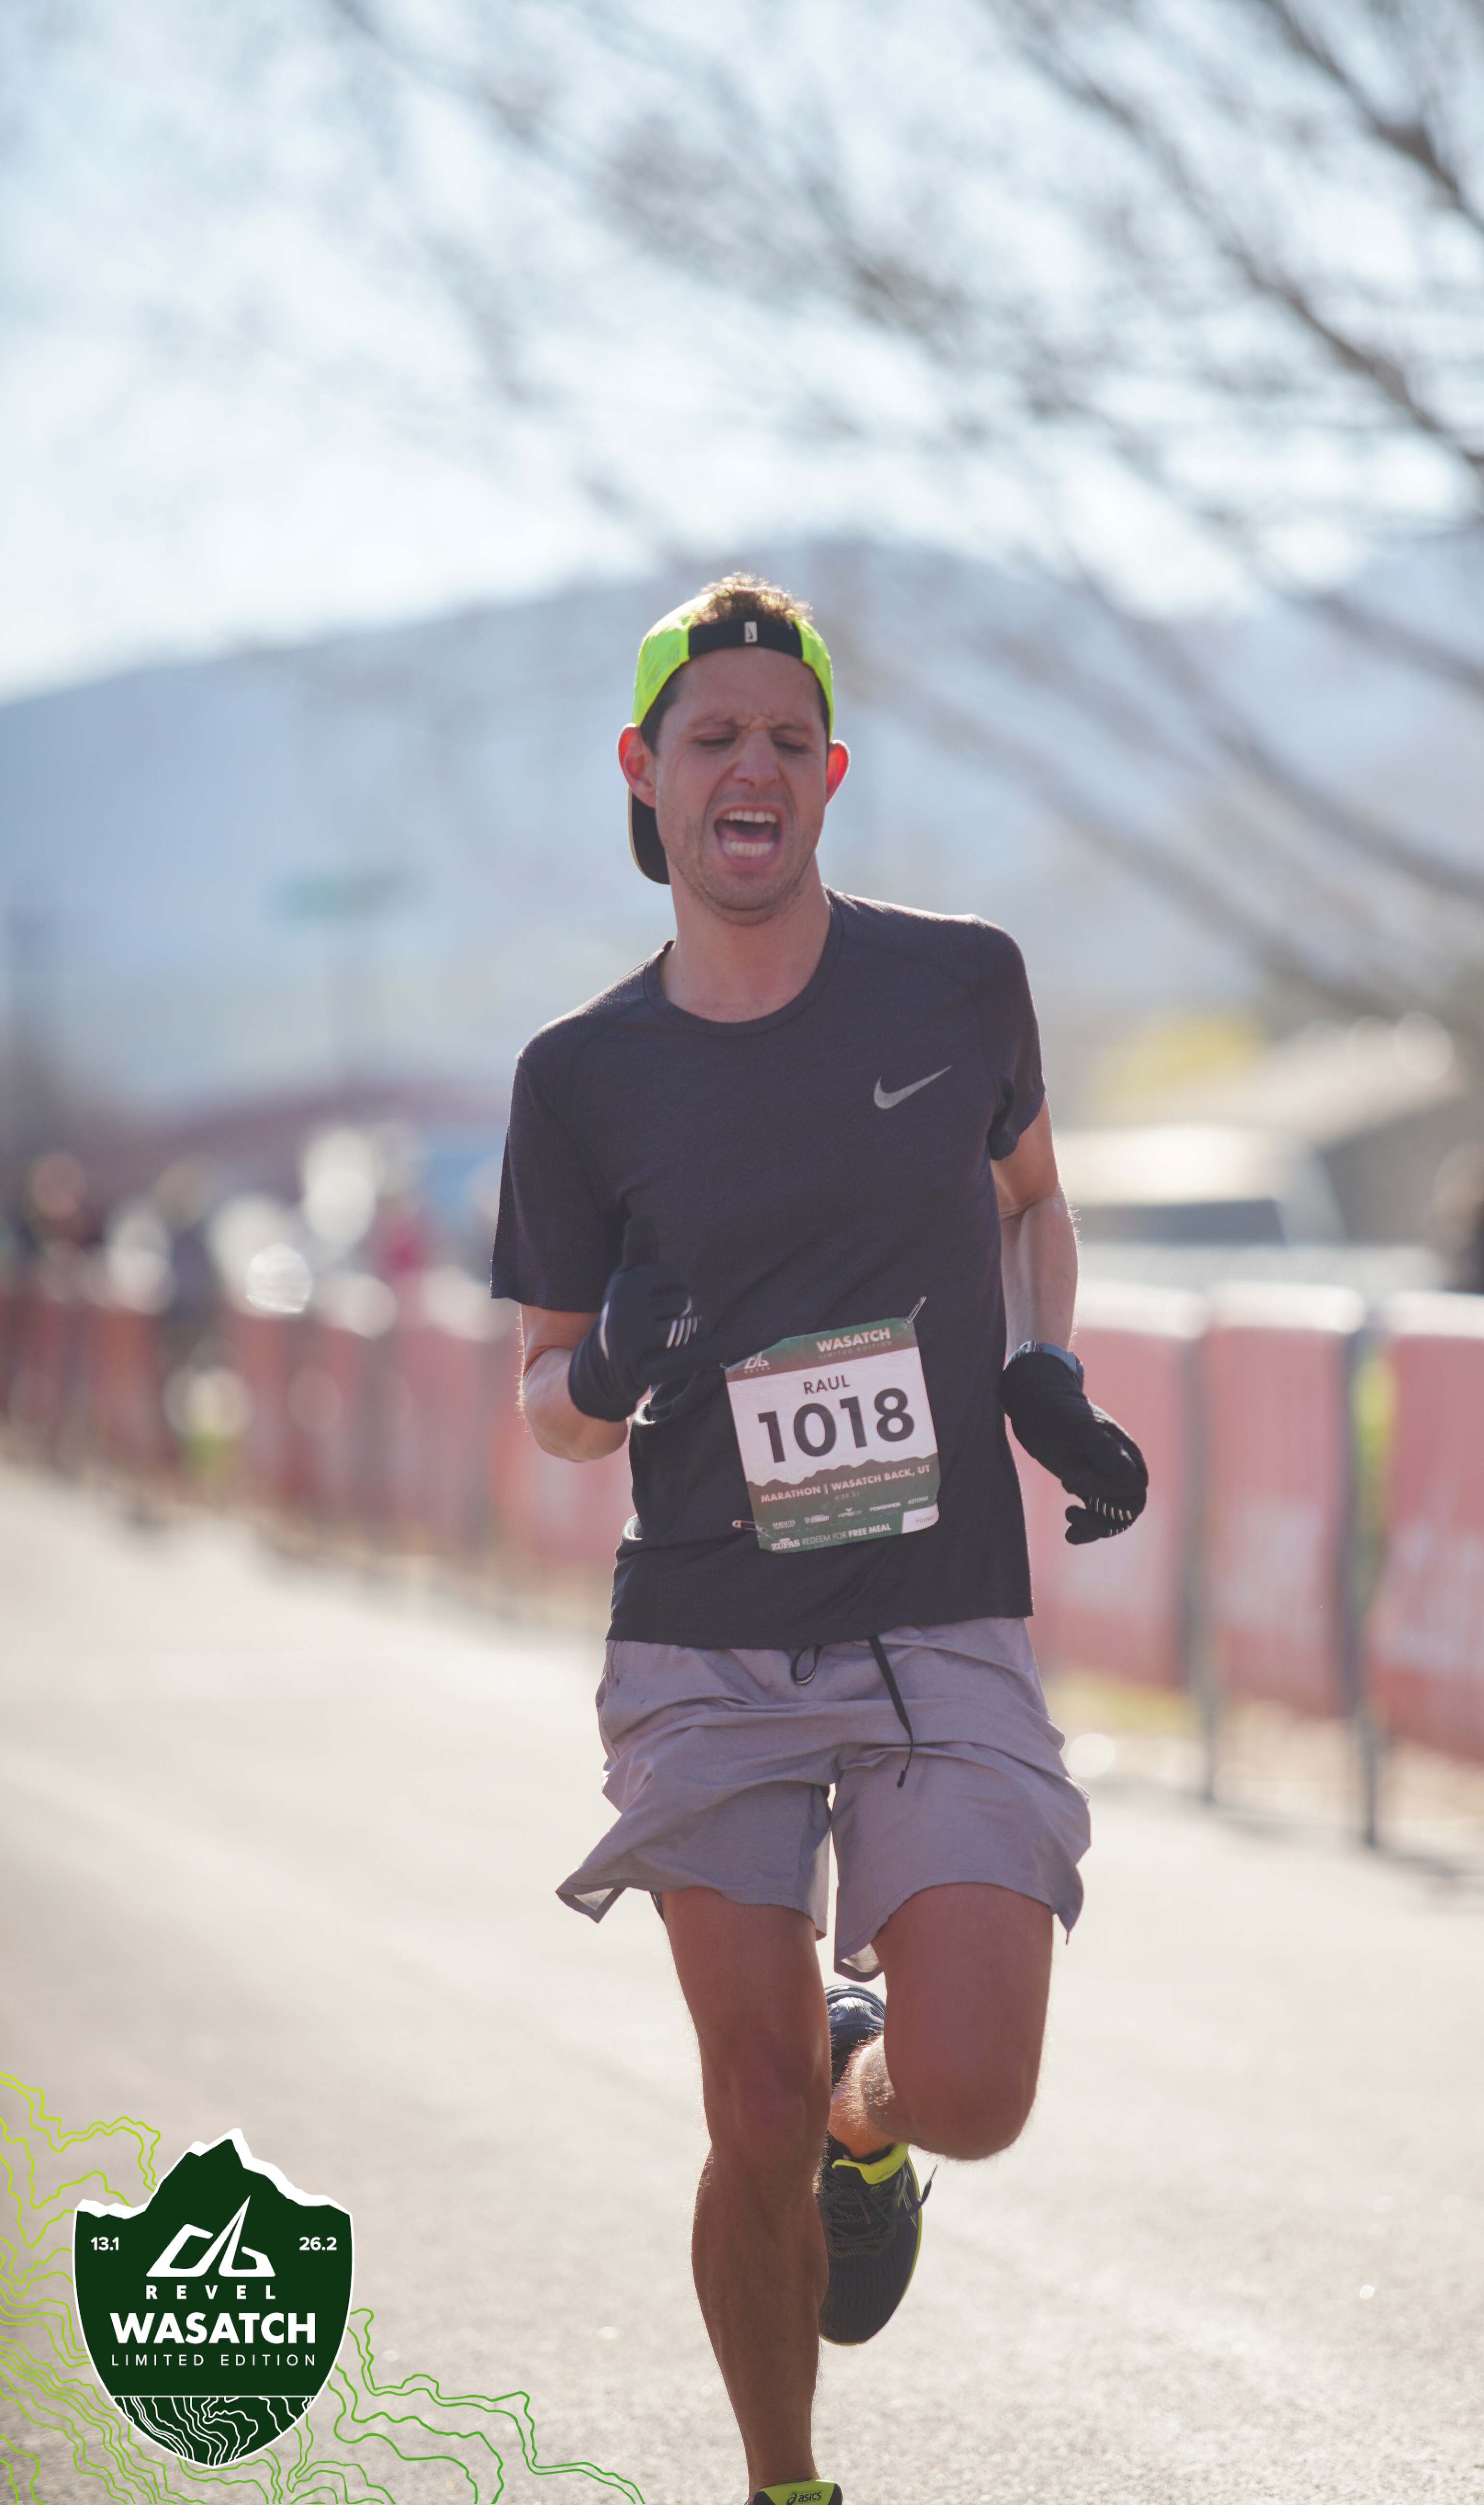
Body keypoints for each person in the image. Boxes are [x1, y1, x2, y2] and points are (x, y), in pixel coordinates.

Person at [490, 574, 1147, 2505]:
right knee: (750, 2108)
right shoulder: (580, 1076)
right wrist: (605, 1363)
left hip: (938, 1607)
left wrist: (1042, 1365)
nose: (753, 768)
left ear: (833, 775)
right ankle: (785, 2479)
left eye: (788, 738)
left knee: (974, 2093)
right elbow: (545, 1405)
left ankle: (883, 2109)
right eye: (714, 738)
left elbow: (1033, 1201)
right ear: (644, 772)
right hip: (707, 1633)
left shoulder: (958, 983)